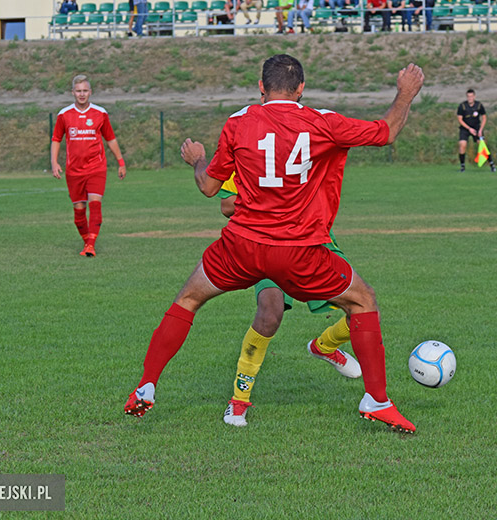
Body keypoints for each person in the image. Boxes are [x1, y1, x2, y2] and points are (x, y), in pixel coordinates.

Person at [124, 54, 424, 434]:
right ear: (301, 89)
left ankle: (147, 385)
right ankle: (376, 399)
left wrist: (198, 160)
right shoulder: (322, 122)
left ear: (261, 87)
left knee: (187, 300)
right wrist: (406, 93)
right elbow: (387, 132)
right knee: (363, 300)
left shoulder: (237, 122)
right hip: (298, 250)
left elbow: (209, 188)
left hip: (241, 246)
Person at [217, 173, 362, 427]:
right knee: (269, 314)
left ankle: (325, 346)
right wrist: (267, 202)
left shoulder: (307, 143)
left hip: (313, 241)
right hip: (267, 243)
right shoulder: (250, 150)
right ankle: (238, 401)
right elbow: (227, 205)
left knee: (361, 306)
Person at [51, 75, 126, 257]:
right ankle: (87, 241)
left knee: (95, 204)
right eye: (78, 91)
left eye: (85, 90)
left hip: (96, 167)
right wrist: (54, 162)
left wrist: (121, 162)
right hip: (74, 170)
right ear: (73, 93)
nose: (82, 94)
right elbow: (56, 139)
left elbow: (110, 138)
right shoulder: (64, 115)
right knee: (78, 211)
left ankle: (90, 245)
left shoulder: (100, 113)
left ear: (90, 92)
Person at [457, 88, 496, 173]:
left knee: (483, 145)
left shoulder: (479, 105)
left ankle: (492, 165)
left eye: (471, 96)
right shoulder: (462, 106)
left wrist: (480, 129)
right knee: (462, 144)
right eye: (468, 96)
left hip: (477, 128)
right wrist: (469, 129)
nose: (470, 98)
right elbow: (460, 119)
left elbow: (484, 117)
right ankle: (462, 166)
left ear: (474, 96)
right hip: (465, 129)